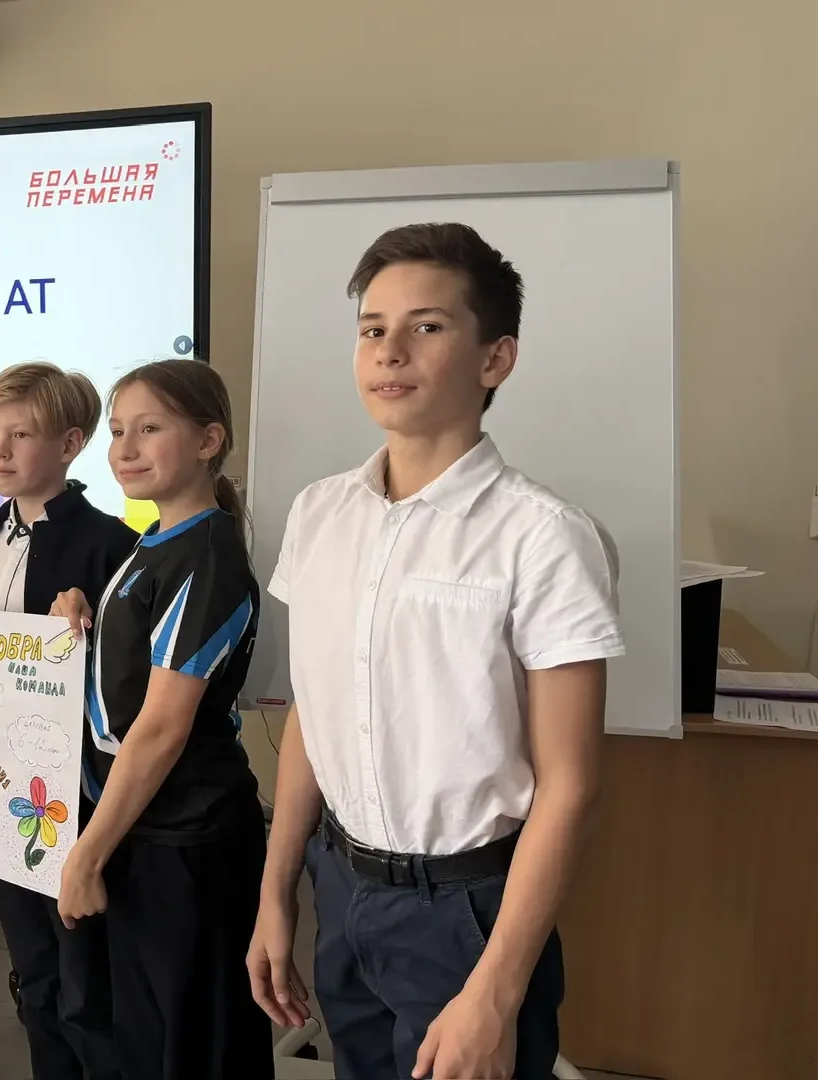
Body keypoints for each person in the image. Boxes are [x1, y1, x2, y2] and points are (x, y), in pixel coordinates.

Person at [247, 223, 623, 1080]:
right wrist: (276, 892)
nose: (391, 351)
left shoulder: (543, 537)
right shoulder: (320, 513)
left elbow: (571, 784)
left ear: (496, 359)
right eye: (372, 329)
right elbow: (315, 710)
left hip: (467, 911)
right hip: (341, 883)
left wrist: (494, 993)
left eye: (427, 326)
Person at [49, 358, 273, 1080]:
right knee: (143, 1035)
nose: (126, 448)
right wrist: (83, 617)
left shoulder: (207, 556)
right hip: (142, 826)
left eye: (150, 429)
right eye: (118, 431)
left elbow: (160, 727)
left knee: (193, 1045)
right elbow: (131, 675)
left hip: (186, 838)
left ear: (209, 440)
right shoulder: (154, 543)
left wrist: (86, 855)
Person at [0, 363, 134, 1080]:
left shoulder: (109, 541)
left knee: (83, 970)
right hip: (2, 780)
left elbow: (130, 678)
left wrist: (88, 632)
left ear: (70, 444)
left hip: (75, 786)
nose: (0, 451)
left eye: (21, 435)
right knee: (32, 967)